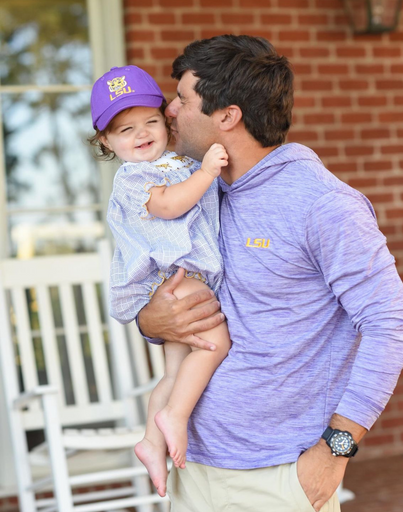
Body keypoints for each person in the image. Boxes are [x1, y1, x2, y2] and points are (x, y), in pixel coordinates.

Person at [132, 35, 403, 512]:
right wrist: (150, 322)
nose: (170, 111)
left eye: (182, 98)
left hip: (278, 479)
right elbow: (167, 305)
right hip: (193, 467)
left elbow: (391, 324)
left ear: (228, 115)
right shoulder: (194, 191)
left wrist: (335, 453)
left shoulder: (323, 204)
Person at [89, 65, 231, 498]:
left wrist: (200, 168)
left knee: (172, 371)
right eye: (125, 129)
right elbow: (169, 206)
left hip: (177, 279)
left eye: (149, 121)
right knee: (216, 344)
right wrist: (206, 172)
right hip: (173, 277)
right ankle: (176, 417)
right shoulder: (134, 179)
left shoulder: (177, 161)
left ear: (166, 120)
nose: (141, 134)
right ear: (106, 142)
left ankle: (151, 443)